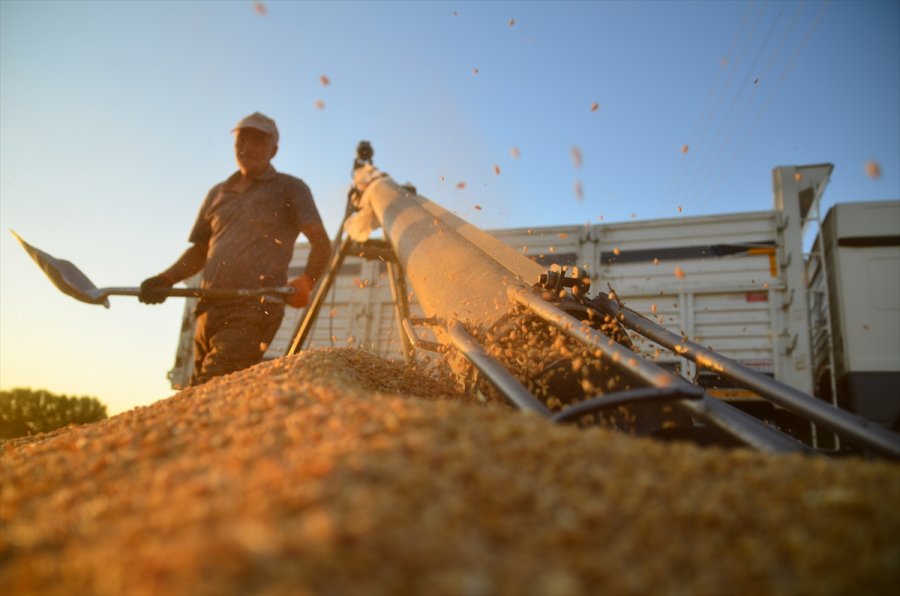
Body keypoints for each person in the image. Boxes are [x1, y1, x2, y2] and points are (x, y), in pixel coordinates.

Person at [139, 112, 331, 386]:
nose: (248, 146)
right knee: (203, 393)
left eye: (258, 140)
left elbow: (321, 242)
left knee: (209, 390)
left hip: (254, 307)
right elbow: (201, 250)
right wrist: (166, 279)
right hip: (208, 307)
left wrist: (307, 281)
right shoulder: (218, 193)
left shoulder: (290, 188)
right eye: (242, 139)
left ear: (274, 149)